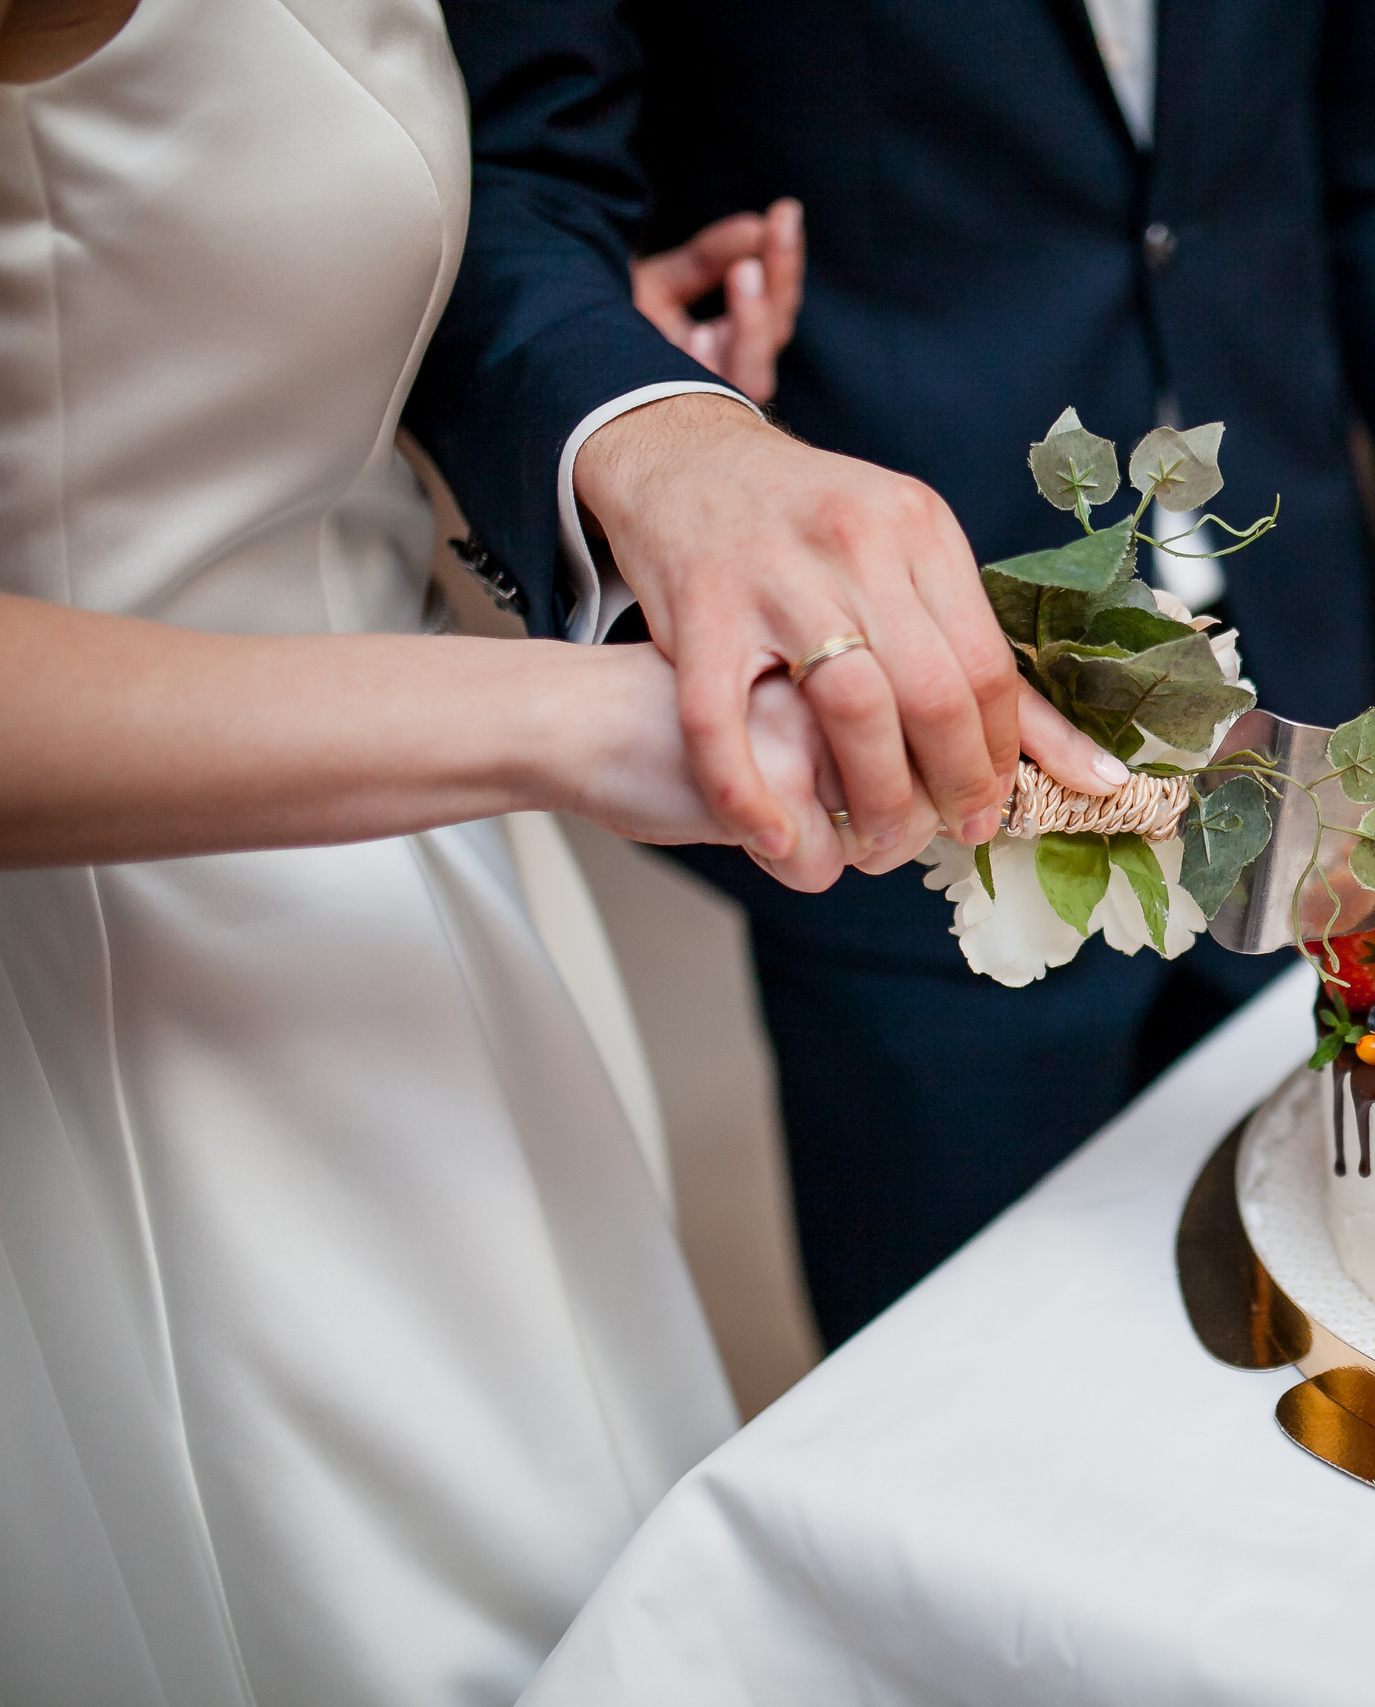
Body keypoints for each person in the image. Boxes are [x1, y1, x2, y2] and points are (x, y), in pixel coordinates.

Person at [0, 0, 1102, 1697]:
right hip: (127, 980)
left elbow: (500, 183)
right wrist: (571, 722)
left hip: (433, 905)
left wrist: (651, 418)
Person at [409, 0, 1375, 1347]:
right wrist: (658, 427)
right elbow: (505, 182)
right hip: (896, 726)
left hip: (1295, 690)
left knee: (1306, 1326)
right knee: (953, 1366)